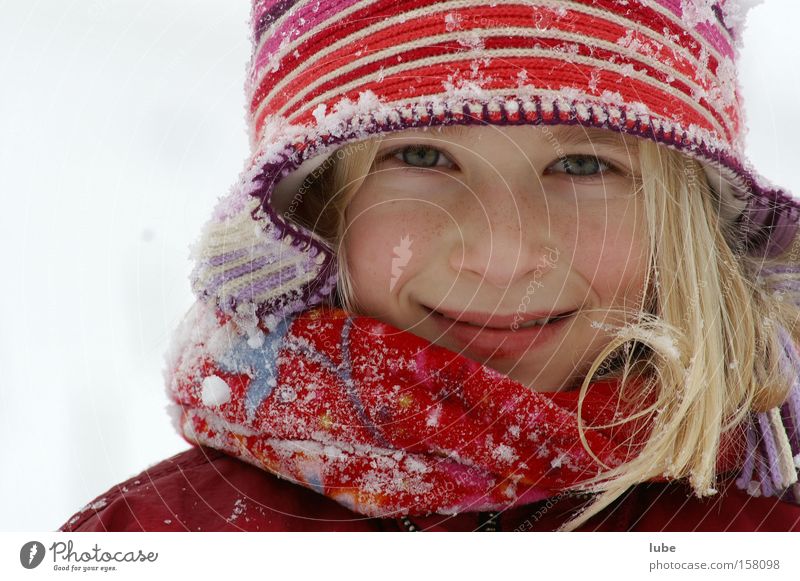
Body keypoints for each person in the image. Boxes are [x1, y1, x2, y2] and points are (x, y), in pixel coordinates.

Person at [60, 0, 800, 532]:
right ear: (316, 208)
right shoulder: (151, 535)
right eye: (421, 155)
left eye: (582, 163)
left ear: (687, 226)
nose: (503, 255)